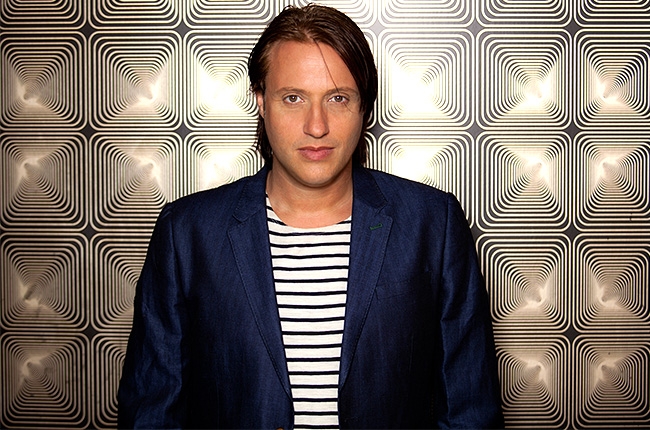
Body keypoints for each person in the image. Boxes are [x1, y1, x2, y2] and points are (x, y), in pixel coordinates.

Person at [117, 4, 503, 429]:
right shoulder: (187, 233)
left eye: (338, 98)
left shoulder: (433, 225)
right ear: (261, 102)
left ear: (363, 107)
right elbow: (152, 413)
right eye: (293, 98)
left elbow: (469, 410)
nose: (316, 126)